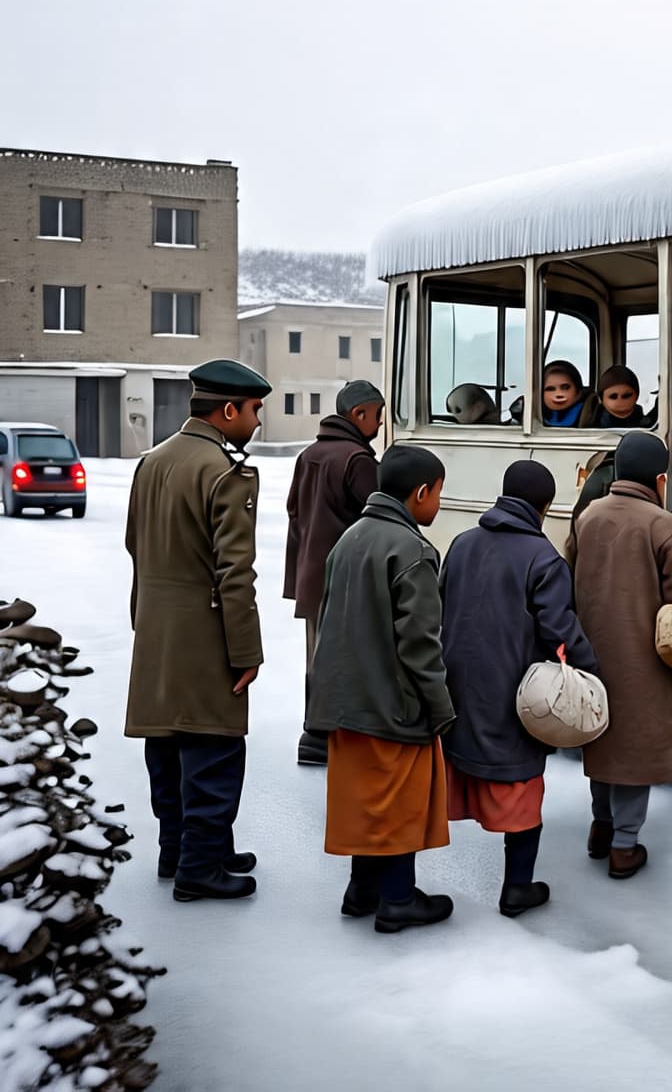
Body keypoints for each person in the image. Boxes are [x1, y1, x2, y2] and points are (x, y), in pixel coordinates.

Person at [124, 359, 271, 903]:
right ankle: (200, 867)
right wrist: (246, 651)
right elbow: (235, 573)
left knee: (166, 741)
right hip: (207, 631)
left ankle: (178, 850)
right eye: (254, 410)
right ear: (228, 409)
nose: (258, 422)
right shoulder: (225, 472)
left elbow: (135, 546)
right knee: (213, 746)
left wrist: (144, 617)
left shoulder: (151, 461)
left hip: (157, 628)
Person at [307, 444, 456, 934]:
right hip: (393, 703)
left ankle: (362, 889)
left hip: (344, 700)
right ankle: (397, 899)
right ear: (419, 493)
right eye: (438, 493)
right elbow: (420, 644)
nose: (438, 503)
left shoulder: (350, 537)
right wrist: (439, 708)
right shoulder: (413, 551)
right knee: (399, 801)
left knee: (365, 798)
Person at [441, 460, 597, 917]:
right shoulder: (543, 557)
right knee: (521, 785)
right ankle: (517, 888)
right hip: (514, 688)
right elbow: (559, 628)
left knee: (462, 764)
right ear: (545, 507)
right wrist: (592, 670)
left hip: (457, 685)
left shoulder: (462, 543)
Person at [574, 432, 672, 878]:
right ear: (661, 479)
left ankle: (601, 826)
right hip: (644, 655)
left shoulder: (589, 515)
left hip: (592, 647)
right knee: (635, 746)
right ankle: (625, 847)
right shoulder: (662, 523)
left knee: (602, 737)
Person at [284, 379, 384, 766]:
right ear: (359, 415)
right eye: (377, 415)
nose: (379, 423)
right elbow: (379, 515)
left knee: (318, 658)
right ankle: (331, 738)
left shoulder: (309, 454)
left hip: (312, 574)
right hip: (348, 578)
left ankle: (314, 732)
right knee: (349, 659)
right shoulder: (357, 460)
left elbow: (295, 514)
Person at [541, 359, 598, 427]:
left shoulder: (594, 415)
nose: (559, 394)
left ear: (578, 390)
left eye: (565, 388)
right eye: (550, 389)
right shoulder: (534, 415)